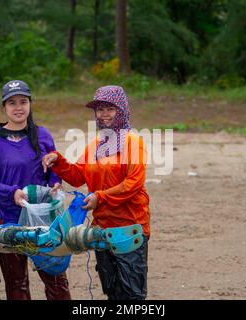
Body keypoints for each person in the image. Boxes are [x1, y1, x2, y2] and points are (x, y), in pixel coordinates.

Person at [42, 85, 150, 300]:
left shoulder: (132, 141)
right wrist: (58, 160)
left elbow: (134, 182)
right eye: (100, 109)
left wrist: (100, 197)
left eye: (110, 108)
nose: (104, 114)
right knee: (111, 290)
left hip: (130, 226)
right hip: (102, 227)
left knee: (131, 295)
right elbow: (77, 176)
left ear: (122, 110)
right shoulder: (96, 145)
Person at [0, 80, 71, 300]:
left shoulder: (42, 134)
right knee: (17, 283)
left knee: (56, 279)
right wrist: (11, 192)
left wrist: (56, 181)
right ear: (4, 107)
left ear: (30, 104)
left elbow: (53, 168)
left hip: (42, 219)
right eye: (12, 102)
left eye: (23, 101)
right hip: (7, 218)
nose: (18, 107)